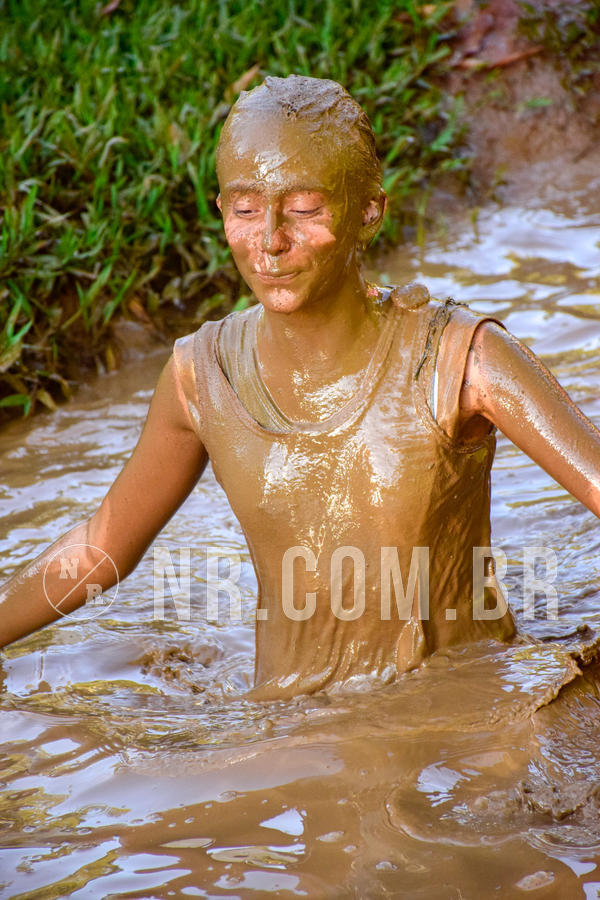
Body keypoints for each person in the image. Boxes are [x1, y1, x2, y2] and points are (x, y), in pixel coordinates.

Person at [1, 75, 599, 700]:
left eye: (306, 210)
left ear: (369, 211)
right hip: (283, 723)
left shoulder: (458, 359)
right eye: (245, 210)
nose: (270, 241)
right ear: (221, 211)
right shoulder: (201, 376)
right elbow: (100, 547)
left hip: (458, 718)